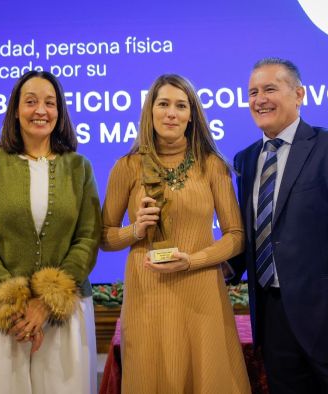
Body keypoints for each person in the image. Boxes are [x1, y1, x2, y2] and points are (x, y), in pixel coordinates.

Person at [229, 58, 328, 393]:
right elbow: (251, 239)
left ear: (299, 94)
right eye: (253, 92)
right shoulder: (245, 160)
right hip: (274, 328)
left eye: (270, 88)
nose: (259, 99)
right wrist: (202, 269)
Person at [101, 74, 251, 393]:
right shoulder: (127, 166)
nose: (171, 113)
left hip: (202, 294)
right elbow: (104, 236)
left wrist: (193, 260)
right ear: (149, 111)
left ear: (191, 115)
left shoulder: (213, 165)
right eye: (164, 104)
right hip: (147, 295)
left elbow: (236, 236)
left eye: (181, 105)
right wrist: (135, 230)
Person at [0, 70, 101, 394]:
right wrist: (18, 305)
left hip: (63, 317)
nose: (41, 110)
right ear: (16, 110)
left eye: (50, 103)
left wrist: (46, 303)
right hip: (0, 318)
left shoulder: (80, 167)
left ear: (59, 111)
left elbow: (88, 239)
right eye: (31, 102)